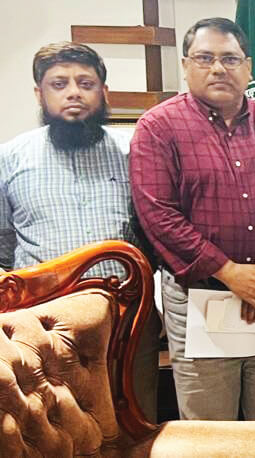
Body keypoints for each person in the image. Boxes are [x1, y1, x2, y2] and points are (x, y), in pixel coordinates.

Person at [131, 18, 255, 421]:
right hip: (199, 296)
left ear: (249, 67)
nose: (218, 68)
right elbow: (158, 216)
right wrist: (229, 272)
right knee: (211, 431)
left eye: (230, 59)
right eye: (205, 58)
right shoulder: (158, 127)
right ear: (186, 65)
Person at [0, 42, 160, 421]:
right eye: (59, 84)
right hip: (41, 327)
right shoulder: (10, 158)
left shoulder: (134, 152)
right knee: (56, 428)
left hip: (127, 322)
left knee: (136, 426)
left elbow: (155, 232)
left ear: (104, 92)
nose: (73, 92)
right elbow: (4, 243)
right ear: (39, 94)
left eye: (85, 83)